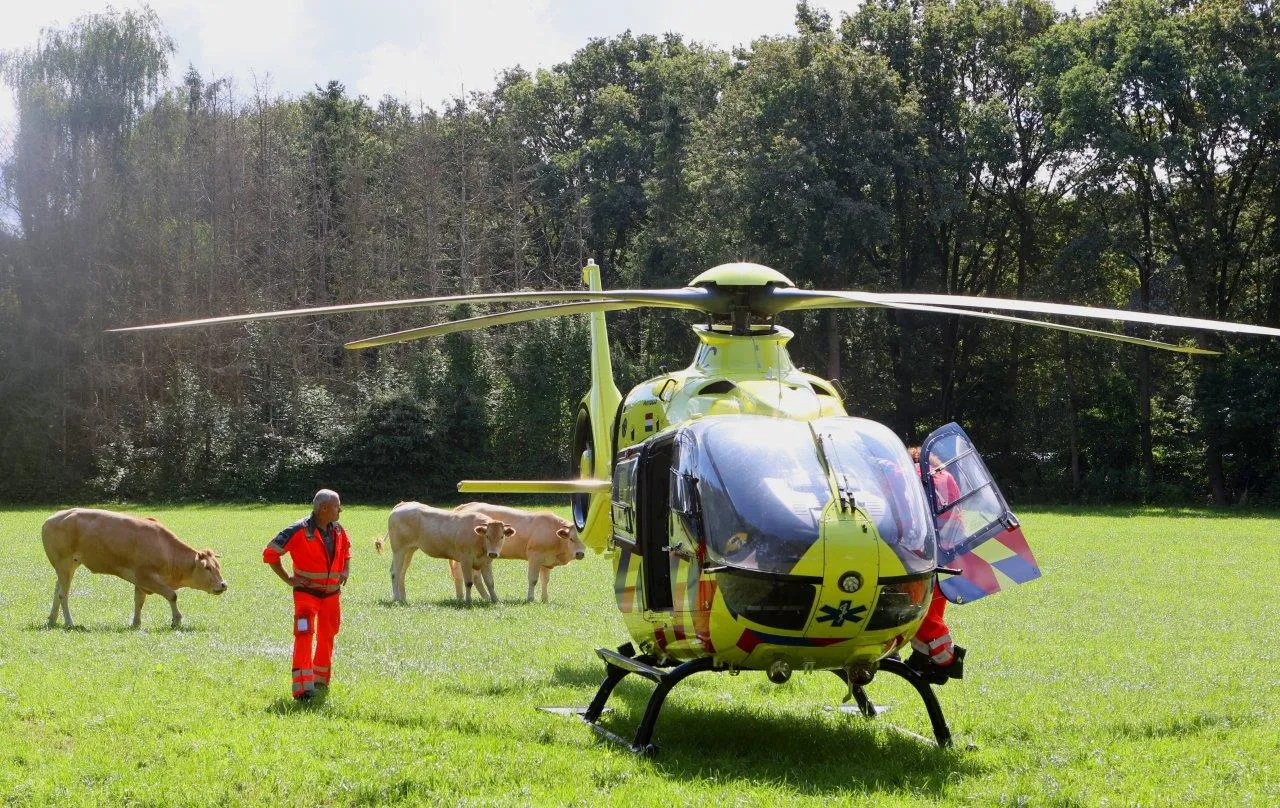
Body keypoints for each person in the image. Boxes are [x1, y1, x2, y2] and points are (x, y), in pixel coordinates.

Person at [264, 489, 351, 701]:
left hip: (332, 596)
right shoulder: (297, 531)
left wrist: (345, 570)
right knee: (304, 636)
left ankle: (320, 679)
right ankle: (303, 689)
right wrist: (289, 579)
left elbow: (347, 550)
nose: (340, 509)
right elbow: (270, 553)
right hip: (306, 595)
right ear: (323, 509)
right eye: (336, 506)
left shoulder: (338, 530)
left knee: (327, 635)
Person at [905, 446, 965, 685]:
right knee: (935, 606)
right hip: (948, 552)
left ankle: (945, 659)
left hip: (919, 552)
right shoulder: (946, 476)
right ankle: (923, 658)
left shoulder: (909, 474)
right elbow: (958, 512)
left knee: (918, 609)